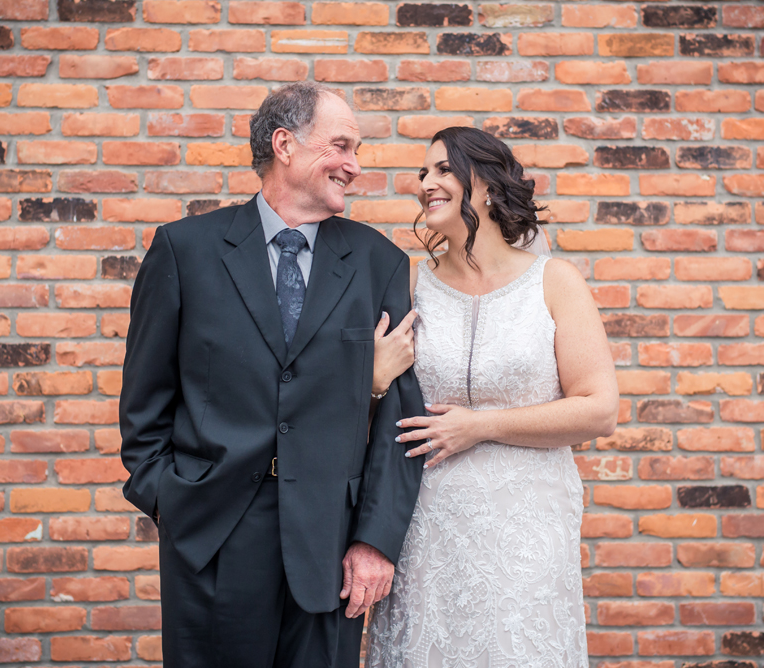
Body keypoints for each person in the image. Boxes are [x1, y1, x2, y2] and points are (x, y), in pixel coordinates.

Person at [119, 82, 424, 668]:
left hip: (330, 549)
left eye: (356, 151)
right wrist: (169, 502)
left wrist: (374, 540)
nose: (354, 166)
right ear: (285, 145)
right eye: (341, 146)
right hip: (211, 538)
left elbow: (399, 423)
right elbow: (143, 406)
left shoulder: (379, 263)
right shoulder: (184, 251)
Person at [366, 127, 619, 668]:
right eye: (423, 173)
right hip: (426, 525)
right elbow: (374, 407)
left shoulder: (554, 282)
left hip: (527, 527)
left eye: (442, 170)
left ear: (485, 185)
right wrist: (374, 379)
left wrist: (481, 425)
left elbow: (599, 408)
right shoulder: (409, 285)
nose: (426, 183)